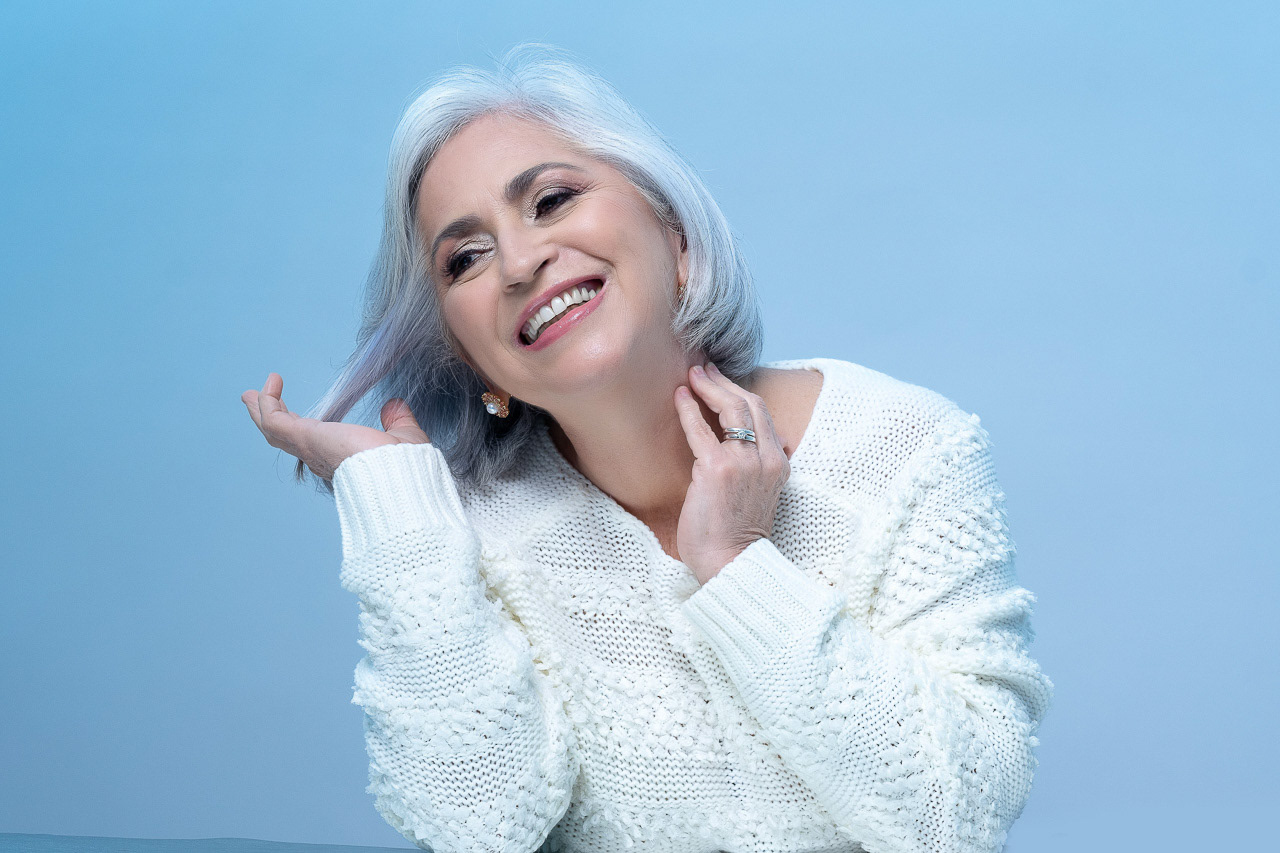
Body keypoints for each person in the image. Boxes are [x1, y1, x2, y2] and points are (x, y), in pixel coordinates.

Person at [241, 46, 1052, 853]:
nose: (520, 263)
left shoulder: (901, 447)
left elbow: (959, 817)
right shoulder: (471, 535)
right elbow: (476, 828)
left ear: (676, 237)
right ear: (469, 358)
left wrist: (736, 566)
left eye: (551, 200)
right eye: (466, 258)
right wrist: (401, 512)